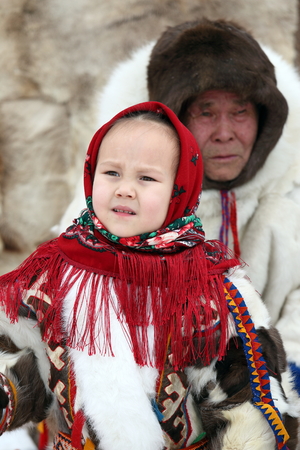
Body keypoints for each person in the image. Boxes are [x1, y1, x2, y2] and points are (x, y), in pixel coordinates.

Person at [0, 101, 298, 450]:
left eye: (146, 178)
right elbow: (21, 362)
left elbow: (246, 407)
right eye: (111, 173)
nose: (125, 188)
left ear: (179, 190)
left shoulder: (211, 291)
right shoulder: (54, 274)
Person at [58, 18, 300, 396]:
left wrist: (281, 380)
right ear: (175, 120)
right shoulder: (121, 192)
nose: (225, 132)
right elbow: (74, 295)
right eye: (206, 112)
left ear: (265, 117)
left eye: (240, 112)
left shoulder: (291, 189)